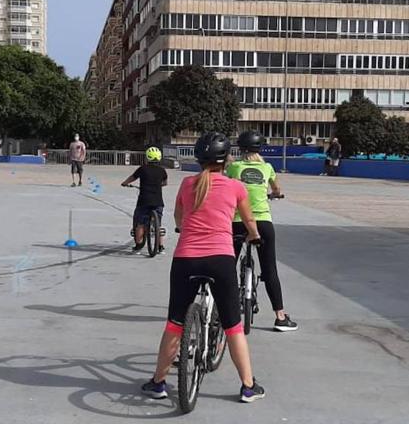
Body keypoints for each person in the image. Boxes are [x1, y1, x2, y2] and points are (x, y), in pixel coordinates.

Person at [142, 132, 265, 403]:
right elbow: (249, 221)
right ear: (226, 160)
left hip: (186, 259)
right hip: (220, 259)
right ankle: (247, 386)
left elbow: (178, 217)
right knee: (233, 326)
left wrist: (182, 227)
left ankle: (158, 382)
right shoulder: (235, 187)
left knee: (175, 323)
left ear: (198, 159)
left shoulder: (187, 185)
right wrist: (254, 236)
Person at [227, 131, 299, 332]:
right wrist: (274, 194)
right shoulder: (267, 168)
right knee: (270, 270)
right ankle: (280, 317)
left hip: (238, 221)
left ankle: (219, 312)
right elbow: (276, 189)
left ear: (240, 149)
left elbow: (225, 186)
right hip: (263, 223)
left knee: (227, 266)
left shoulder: (234, 167)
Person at [121, 146, 168, 254]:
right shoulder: (162, 171)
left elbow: (132, 177)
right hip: (158, 201)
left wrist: (125, 183)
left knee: (140, 222)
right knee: (158, 224)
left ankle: (138, 246)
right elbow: (165, 183)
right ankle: (160, 247)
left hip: (144, 200)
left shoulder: (142, 169)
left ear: (147, 157)